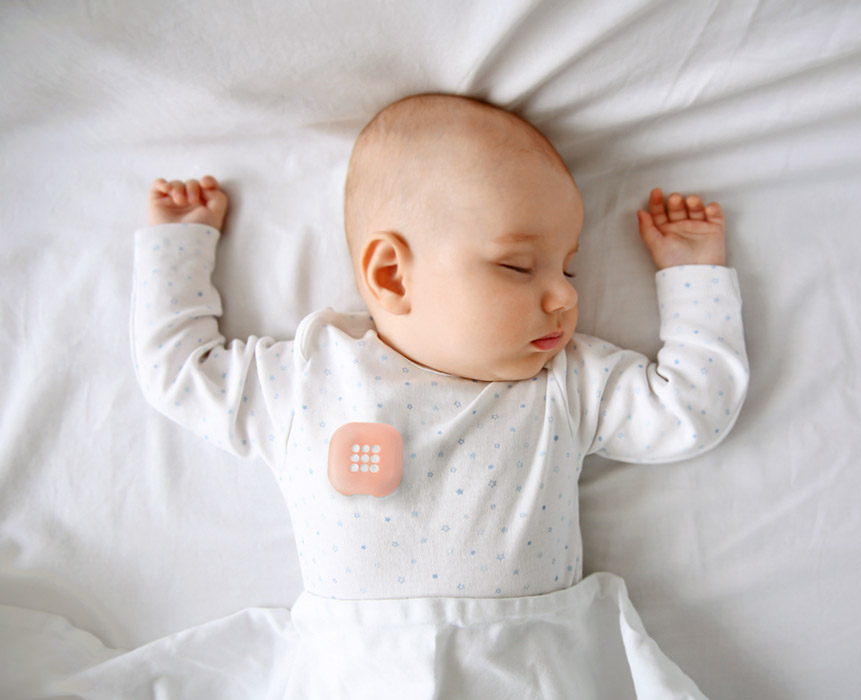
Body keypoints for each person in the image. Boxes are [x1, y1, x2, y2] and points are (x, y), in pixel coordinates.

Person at [128, 93, 748, 697]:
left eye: (569, 268)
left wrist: (693, 276)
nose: (564, 297)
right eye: (517, 266)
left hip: (529, 664)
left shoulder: (564, 382)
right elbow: (181, 374)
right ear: (393, 275)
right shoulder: (309, 378)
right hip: (357, 667)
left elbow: (689, 413)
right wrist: (178, 246)